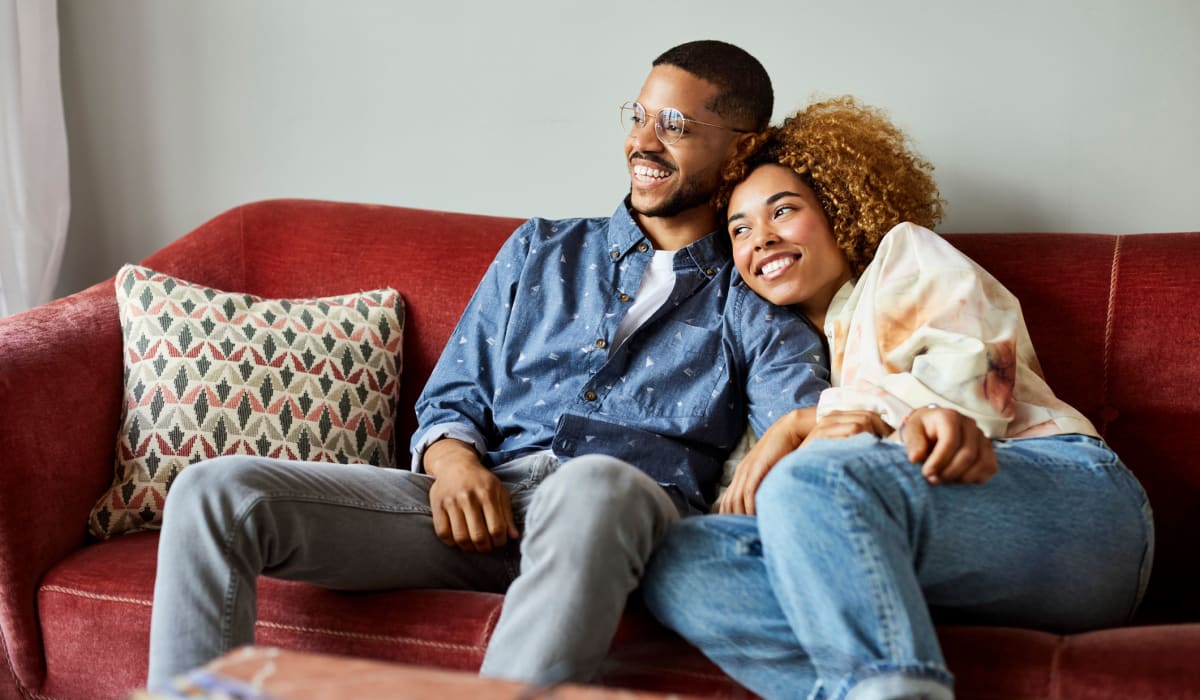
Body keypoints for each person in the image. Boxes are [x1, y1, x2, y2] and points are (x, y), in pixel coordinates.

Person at [145, 40, 832, 690]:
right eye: (638, 115)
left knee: (594, 484)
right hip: (487, 508)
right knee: (216, 492)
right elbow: (454, 395)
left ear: (741, 150)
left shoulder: (758, 294)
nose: (642, 142)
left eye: (675, 124)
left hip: (620, 521)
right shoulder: (541, 249)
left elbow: (798, 440)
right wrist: (454, 464)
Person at [640, 97, 1155, 700]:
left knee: (810, 478)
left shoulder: (903, 257)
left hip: (1070, 502)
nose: (762, 239)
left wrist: (803, 426)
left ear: (837, 208)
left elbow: (973, 386)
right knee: (678, 560)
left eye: (784, 210)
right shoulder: (771, 357)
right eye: (740, 229)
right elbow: (756, 514)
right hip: (930, 560)